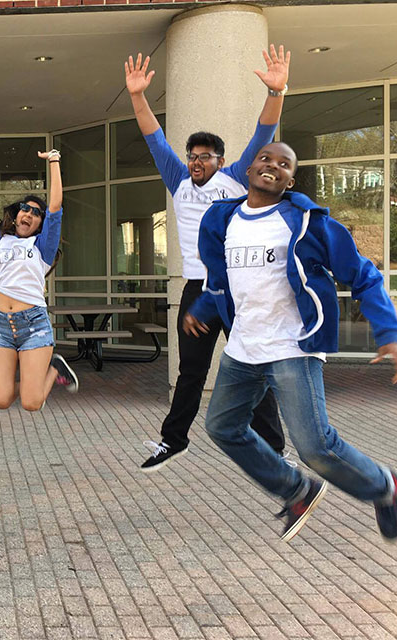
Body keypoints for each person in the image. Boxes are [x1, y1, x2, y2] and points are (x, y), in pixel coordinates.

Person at [185, 141, 397, 542]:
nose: (273, 166)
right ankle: (296, 489)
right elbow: (220, 280)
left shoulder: (309, 223)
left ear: (291, 179)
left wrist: (390, 333)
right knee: (222, 426)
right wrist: (202, 309)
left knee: (316, 447)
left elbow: (363, 275)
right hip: (243, 347)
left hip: (293, 346)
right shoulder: (223, 220)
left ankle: (384, 488)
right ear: (250, 169)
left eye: (284, 164)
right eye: (265, 159)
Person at [125, 45, 291, 472]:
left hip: (237, 289)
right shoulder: (178, 179)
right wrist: (138, 96)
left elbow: (263, 131)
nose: (196, 162)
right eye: (192, 156)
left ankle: (274, 445)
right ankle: (173, 440)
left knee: (252, 363)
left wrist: (276, 91)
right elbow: (152, 136)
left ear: (221, 160)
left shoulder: (237, 178)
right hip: (198, 289)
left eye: (205, 157)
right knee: (191, 371)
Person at [0, 140, 78, 411]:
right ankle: (48, 373)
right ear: (16, 216)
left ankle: (53, 371)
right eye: (25, 209)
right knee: (1, 400)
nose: (29, 213)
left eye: (36, 213)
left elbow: (56, 207)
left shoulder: (42, 247)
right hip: (0, 325)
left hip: (34, 325)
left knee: (32, 402)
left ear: (39, 223)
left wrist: (54, 161)